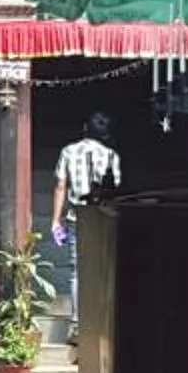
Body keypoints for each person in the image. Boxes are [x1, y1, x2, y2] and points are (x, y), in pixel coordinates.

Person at [48, 112, 123, 329]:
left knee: (77, 270)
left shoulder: (68, 151)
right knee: (104, 268)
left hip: (77, 216)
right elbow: (115, 190)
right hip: (104, 217)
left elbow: (61, 186)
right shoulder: (111, 156)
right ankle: (102, 318)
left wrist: (55, 220)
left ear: (84, 128)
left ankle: (77, 321)